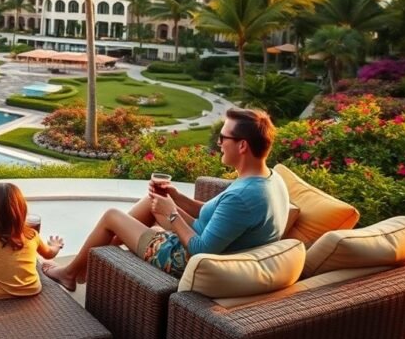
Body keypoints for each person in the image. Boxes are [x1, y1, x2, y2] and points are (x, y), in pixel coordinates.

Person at [44, 108, 290, 290]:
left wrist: (172, 214)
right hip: (209, 241)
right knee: (151, 202)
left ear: (243, 146)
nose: (219, 143)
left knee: (112, 217)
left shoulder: (244, 196)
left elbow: (199, 251)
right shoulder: (267, 179)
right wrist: (176, 197)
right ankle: (88, 266)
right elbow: (217, 215)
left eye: (223, 138)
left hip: (184, 259)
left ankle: (72, 271)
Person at [0, 183, 64, 299]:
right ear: (22, 208)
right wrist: (56, 246)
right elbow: (49, 254)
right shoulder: (32, 234)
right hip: (32, 291)